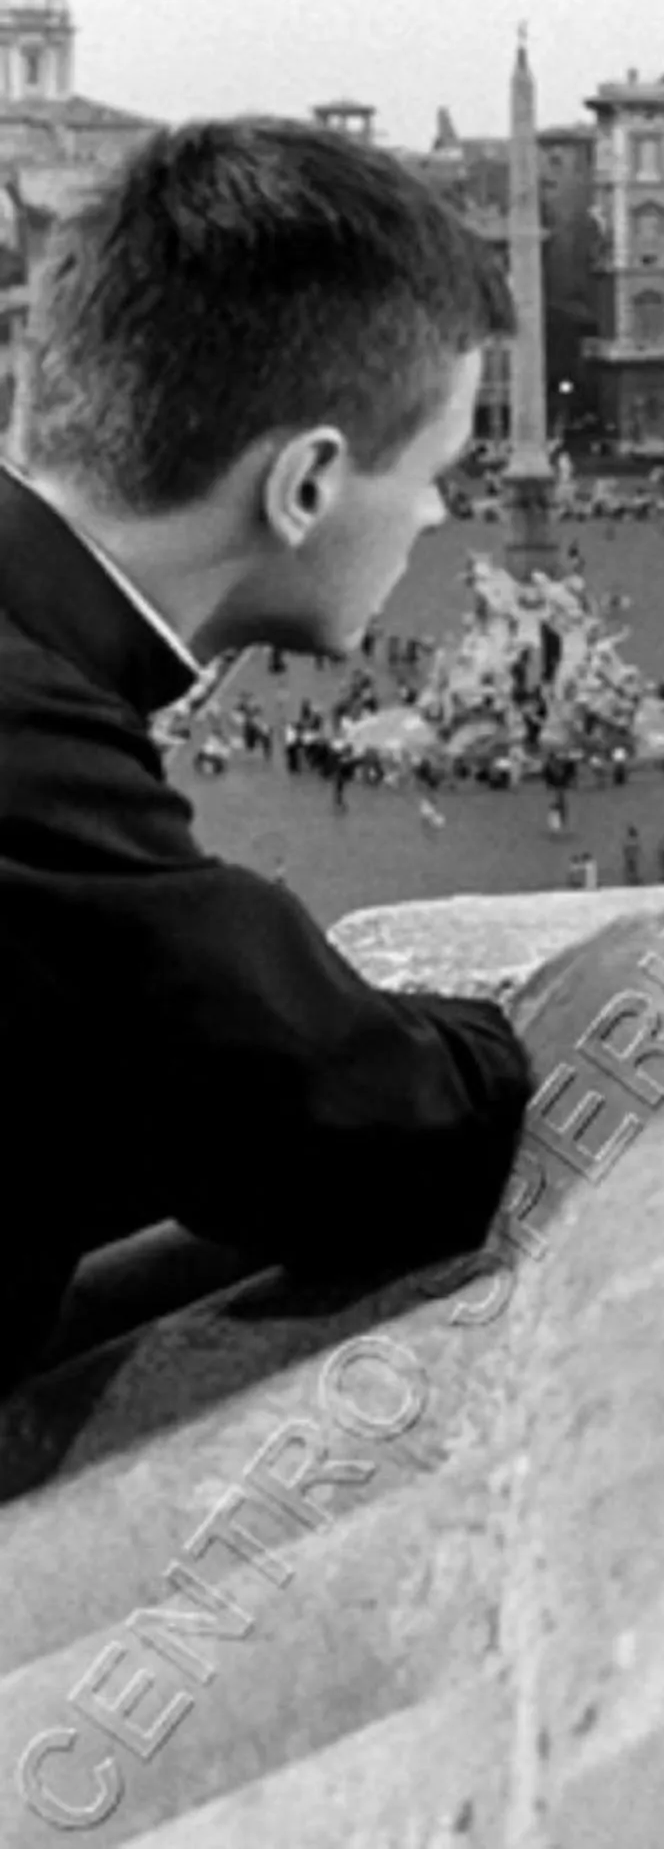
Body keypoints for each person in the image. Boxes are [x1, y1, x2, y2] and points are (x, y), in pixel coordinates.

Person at [0, 118, 532, 1396]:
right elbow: (355, 1119)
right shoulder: (25, 745)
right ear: (304, 485)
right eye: (434, 471)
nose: (440, 514)